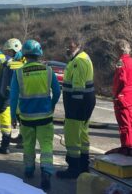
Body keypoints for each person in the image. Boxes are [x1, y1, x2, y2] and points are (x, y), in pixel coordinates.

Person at [10, 39, 61, 191]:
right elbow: (57, 92)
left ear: (24, 54)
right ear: (39, 54)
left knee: (28, 145)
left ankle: (29, 170)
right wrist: (51, 105)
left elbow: (13, 98)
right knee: (46, 146)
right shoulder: (48, 71)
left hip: (26, 118)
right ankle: (46, 171)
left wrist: (13, 116)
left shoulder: (18, 73)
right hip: (45, 117)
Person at [56, 35, 96, 179]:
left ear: (78, 46)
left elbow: (78, 87)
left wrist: (74, 110)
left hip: (77, 103)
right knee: (83, 135)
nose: (67, 49)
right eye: (66, 46)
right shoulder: (83, 58)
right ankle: (83, 166)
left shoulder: (78, 62)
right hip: (85, 103)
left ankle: (73, 168)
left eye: (70, 46)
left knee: (72, 136)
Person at [0, 38, 25, 154]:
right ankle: (22, 139)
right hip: (17, 97)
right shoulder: (17, 61)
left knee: (18, 120)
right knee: (21, 120)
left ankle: (18, 141)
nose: (7, 54)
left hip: (15, 97)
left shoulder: (16, 63)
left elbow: (11, 83)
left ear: (16, 50)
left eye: (9, 52)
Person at [107, 39, 132, 155]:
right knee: (130, 123)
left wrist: (115, 94)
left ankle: (126, 147)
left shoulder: (121, 62)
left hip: (122, 97)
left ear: (118, 49)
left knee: (124, 124)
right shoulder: (131, 61)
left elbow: (120, 79)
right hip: (130, 97)